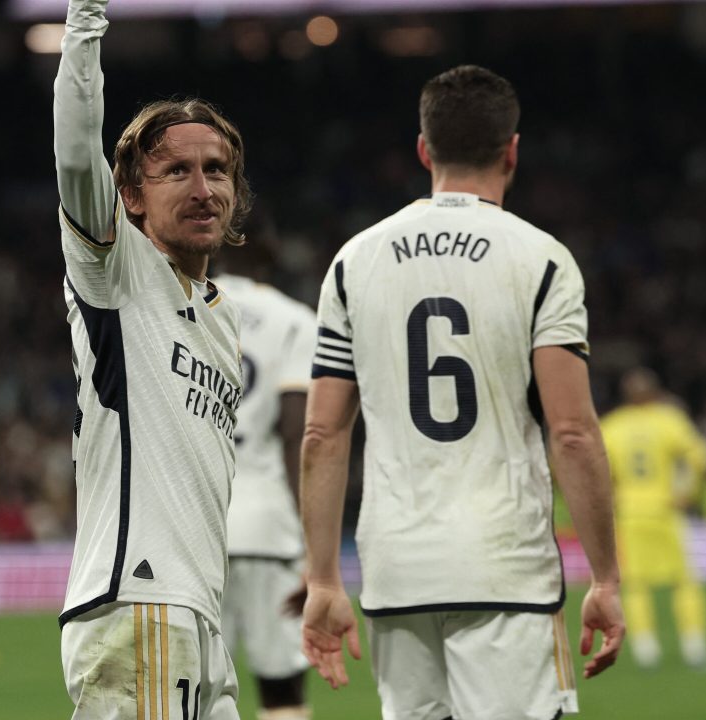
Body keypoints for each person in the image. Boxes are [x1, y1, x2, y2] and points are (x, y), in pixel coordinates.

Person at [300, 65, 626, 720]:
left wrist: (323, 580)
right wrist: (607, 577)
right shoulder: (542, 259)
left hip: (397, 567)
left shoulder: (353, 261)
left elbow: (322, 435)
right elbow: (572, 431)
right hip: (504, 565)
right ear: (512, 150)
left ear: (425, 150)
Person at [54, 0, 254, 717]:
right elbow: (77, 150)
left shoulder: (222, 320)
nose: (204, 190)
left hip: (198, 612)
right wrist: (85, 18)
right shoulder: (119, 274)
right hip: (136, 603)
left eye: (217, 170)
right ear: (130, 196)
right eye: (177, 172)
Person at [210, 267, 316, 720]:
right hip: (269, 526)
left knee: (197, 690)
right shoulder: (293, 319)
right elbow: (298, 434)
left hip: (198, 524)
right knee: (282, 691)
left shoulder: (185, 307)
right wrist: (315, 544)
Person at [601, 367, 706, 669]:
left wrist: (609, 499)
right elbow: (701, 460)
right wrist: (688, 492)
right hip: (665, 508)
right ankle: (695, 647)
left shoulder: (612, 426)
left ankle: (645, 651)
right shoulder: (669, 420)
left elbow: (598, 472)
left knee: (636, 584)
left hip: (629, 512)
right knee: (684, 581)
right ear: (654, 392)